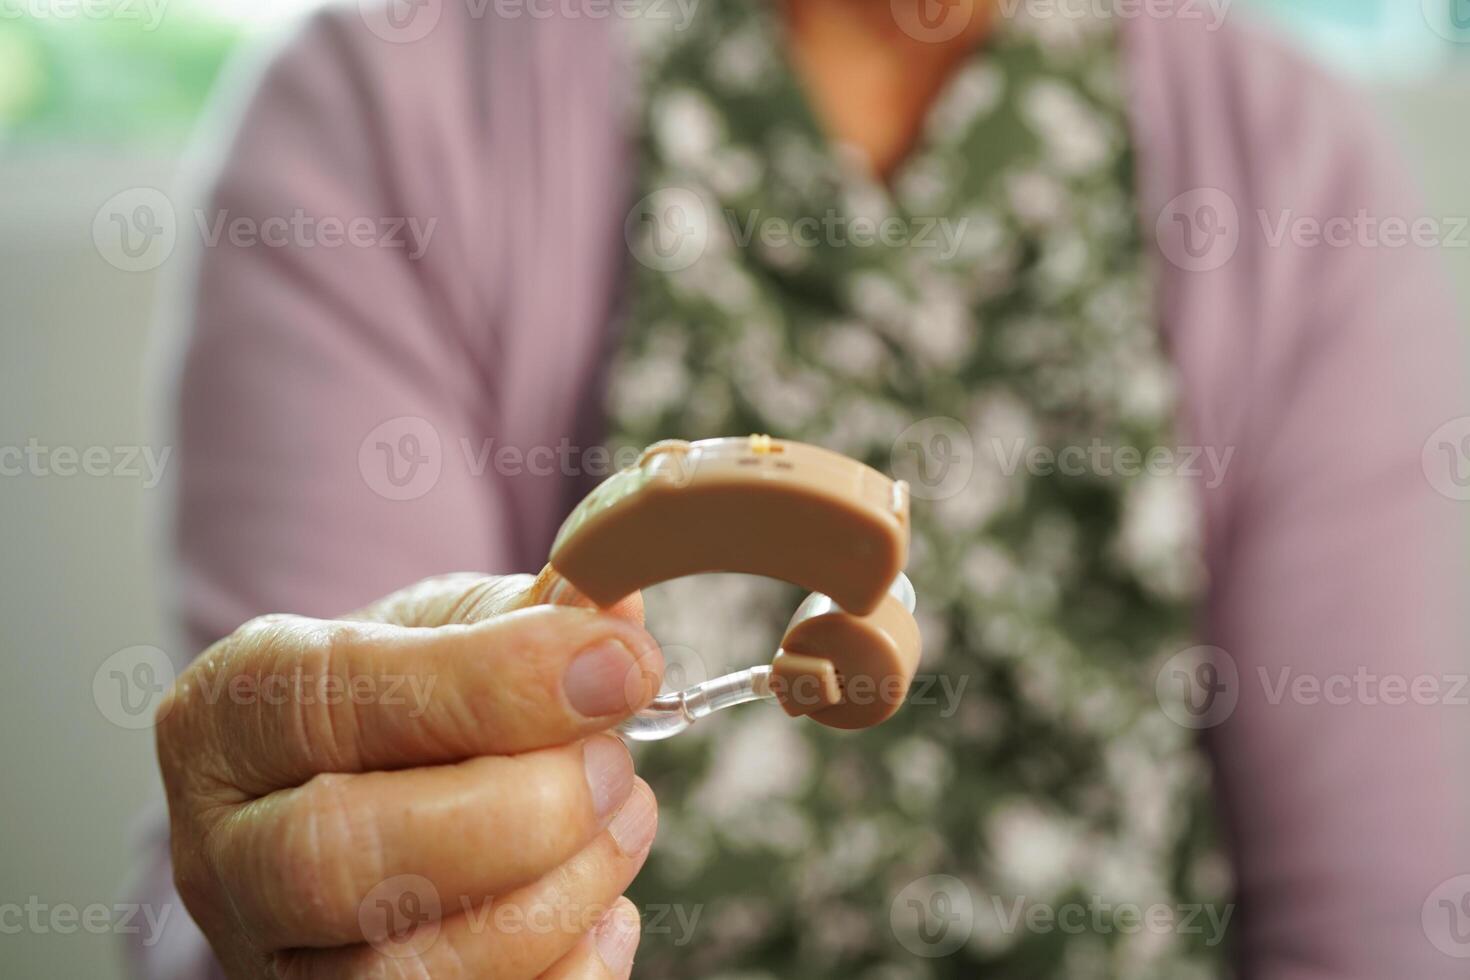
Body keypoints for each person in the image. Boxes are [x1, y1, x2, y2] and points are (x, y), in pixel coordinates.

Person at [133, 0, 1470, 977]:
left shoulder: (1293, 161)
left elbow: (1385, 923)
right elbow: (282, 869)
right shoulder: (376, 108)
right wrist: (301, 906)